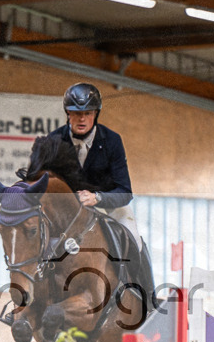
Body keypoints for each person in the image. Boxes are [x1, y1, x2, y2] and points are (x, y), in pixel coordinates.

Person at [50, 83, 153, 290]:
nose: (81, 119)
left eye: (87, 113)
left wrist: (97, 197)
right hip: (70, 212)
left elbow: (125, 192)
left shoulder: (112, 141)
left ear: (95, 114)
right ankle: (31, 300)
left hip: (109, 205)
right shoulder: (55, 140)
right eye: (76, 113)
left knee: (134, 237)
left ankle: (148, 299)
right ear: (67, 113)